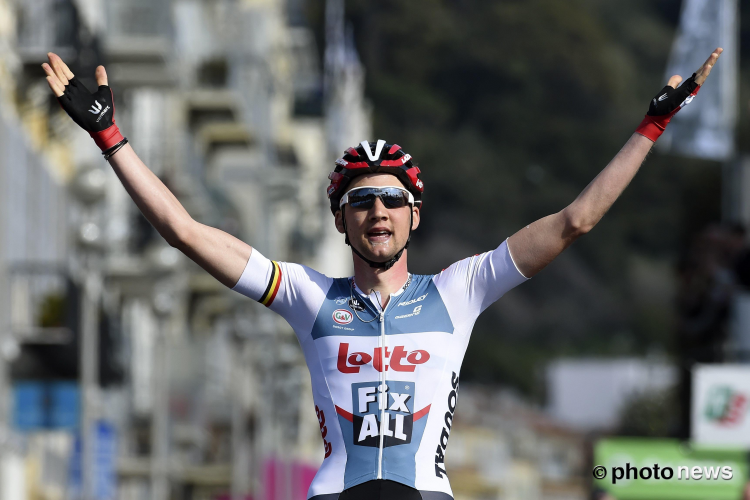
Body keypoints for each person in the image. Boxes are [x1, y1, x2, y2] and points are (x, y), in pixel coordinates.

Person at [42, 47, 722, 500]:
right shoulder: (308, 296)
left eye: (393, 199)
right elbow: (186, 233)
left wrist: (650, 127)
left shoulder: (461, 290)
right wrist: (110, 140)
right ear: (340, 221)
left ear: (415, 217)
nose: (378, 211)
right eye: (359, 201)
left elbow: (576, 221)